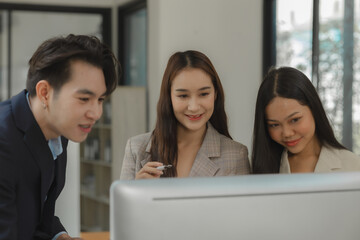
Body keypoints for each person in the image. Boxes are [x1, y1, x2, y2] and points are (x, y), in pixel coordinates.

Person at [0, 34, 120, 240]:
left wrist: (58, 235)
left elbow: (34, 214)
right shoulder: (4, 140)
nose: (96, 113)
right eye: (84, 99)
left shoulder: (58, 133)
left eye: (100, 99)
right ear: (45, 93)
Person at [120, 50, 250, 180]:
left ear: (215, 94)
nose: (193, 107)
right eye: (183, 96)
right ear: (169, 97)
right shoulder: (136, 149)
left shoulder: (236, 155)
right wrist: (138, 190)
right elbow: (121, 200)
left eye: (204, 94)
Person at [251, 66, 360, 173]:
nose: (287, 133)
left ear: (314, 109)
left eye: (294, 120)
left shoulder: (353, 166)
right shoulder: (258, 169)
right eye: (274, 125)